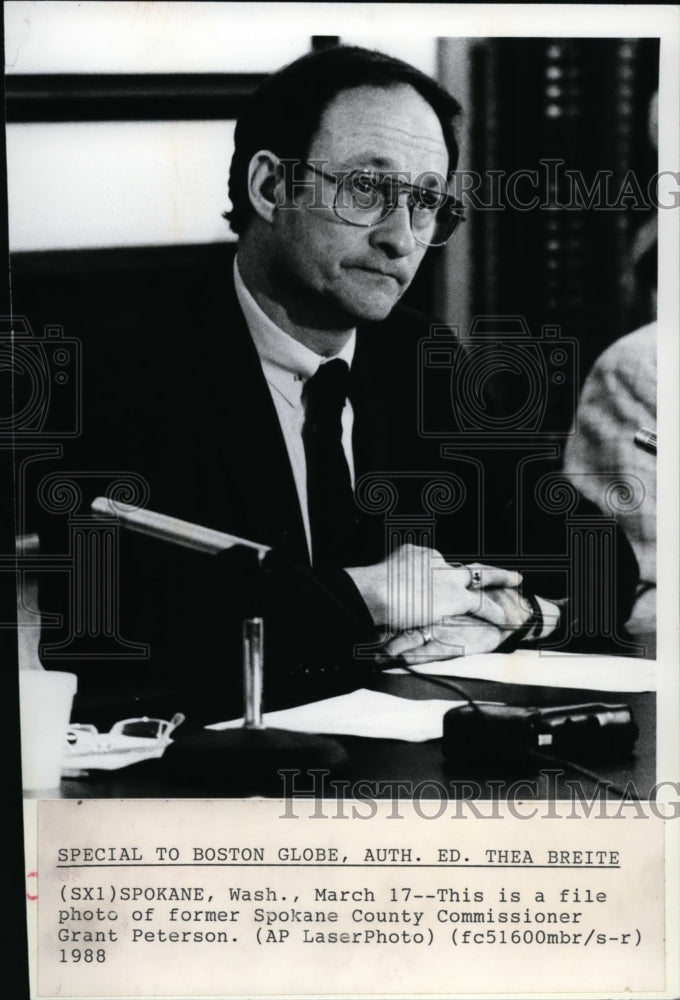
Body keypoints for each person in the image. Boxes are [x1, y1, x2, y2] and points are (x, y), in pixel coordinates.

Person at [30, 46, 636, 723]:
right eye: (367, 190)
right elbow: (112, 638)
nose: (402, 239)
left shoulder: (420, 355)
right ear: (270, 187)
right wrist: (369, 597)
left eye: (427, 202)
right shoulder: (118, 374)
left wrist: (518, 616)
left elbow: (599, 559)